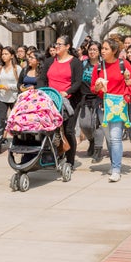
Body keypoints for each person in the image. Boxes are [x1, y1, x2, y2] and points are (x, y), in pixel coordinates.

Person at [91, 38, 131, 182]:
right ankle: (113, 163)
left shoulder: (124, 64)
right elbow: (93, 88)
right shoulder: (98, 67)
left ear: (114, 51)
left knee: (116, 137)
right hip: (103, 107)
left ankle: (116, 169)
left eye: (106, 49)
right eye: (102, 49)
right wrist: (98, 87)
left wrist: (128, 80)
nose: (102, 51)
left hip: (119, 106)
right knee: (110, 139)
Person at [38, 35, 83, 168]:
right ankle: (53, 155)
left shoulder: (75, 62)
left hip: (69, 101)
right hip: (51, 101)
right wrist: (43, 91)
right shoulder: (49, 61)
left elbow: (78, 82)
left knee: (68, 130)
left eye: (59, 44)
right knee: (50, 130)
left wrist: (67, 92)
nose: (56, 47)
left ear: (67, 46)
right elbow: (41, 78)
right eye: (55, 44)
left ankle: (70, 161)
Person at [0, 46, 23, 155]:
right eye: (3, 54)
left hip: (14, 97)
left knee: (16, 120)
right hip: (1, 97)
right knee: (1, 120)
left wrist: (9, 86)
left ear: (12, 55)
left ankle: (18, 142)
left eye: (6, 54)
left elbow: (20, 85)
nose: (3, 56)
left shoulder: (17, 69)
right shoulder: (0, 68)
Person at [78, 41, 104, 162]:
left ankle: (98, 150)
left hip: (98, 98)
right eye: (90, 50)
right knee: (84, 124)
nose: (92, 52)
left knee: (97, 125)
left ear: (99, 52)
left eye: (95, 50)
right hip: (84, 98)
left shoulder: (102, 65)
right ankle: (92, 140)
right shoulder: (83, 64)